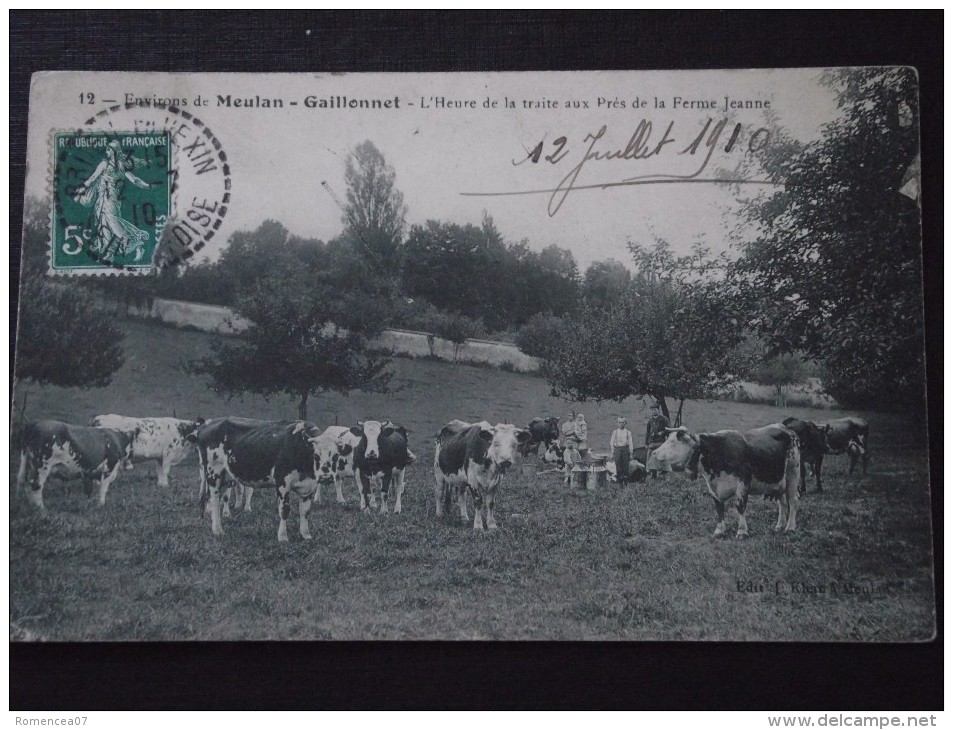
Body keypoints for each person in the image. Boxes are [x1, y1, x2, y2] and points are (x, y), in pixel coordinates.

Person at [72, 140, 151, 262]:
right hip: (105, 197)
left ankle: (133, 240)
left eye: (109, 149)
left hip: (111, 198)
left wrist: (148, 186)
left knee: (111, 220)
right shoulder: (120, 165)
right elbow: (135, 180)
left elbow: (93, 179)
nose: (106, 151)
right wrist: (148, 186)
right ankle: (110, 253)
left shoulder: (106, 164)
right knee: (105, 223)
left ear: (114, 151)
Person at [644, 401, 671, 479]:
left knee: (661, 459)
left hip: (661, 442)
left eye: (655, 409)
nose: (653, 411)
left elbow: (668, 429)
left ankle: (664, 475)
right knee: (651, 459)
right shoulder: (650, 421)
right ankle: (653, 474)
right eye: (652, 410)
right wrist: (646, 443)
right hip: (652, 443)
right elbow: (648, 432)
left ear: (658, 410)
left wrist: (661, 433)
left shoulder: (664, 419)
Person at [610, 417, 634, 487]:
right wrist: (613, 451)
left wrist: (631, 452)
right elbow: (612, 442)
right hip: (617, 449)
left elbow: (630, 442)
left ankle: (625, 482)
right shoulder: (615, 432)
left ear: (625, 423)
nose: (621, 424)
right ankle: (620, 482)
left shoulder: (628, 432)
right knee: (618, 465)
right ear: (617, 423)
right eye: (619, 422)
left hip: (625, 449)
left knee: (625, 465)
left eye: (623, 422)